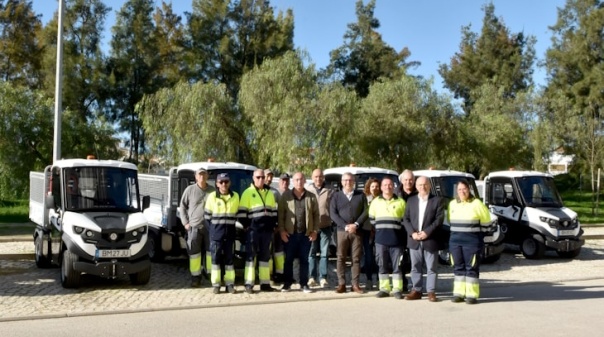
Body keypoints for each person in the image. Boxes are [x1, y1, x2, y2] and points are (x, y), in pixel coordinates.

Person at [448, 179, 493, 304]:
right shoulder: (452, 204)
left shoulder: (477, 204)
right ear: (456, 191)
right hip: (455, 242)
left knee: (471, 268)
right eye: (459, 189)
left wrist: (477, 236)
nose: (462, 192)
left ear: (469, 190)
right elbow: (450, 221)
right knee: (458, 267)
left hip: (472, 242)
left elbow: (486, 222)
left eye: (464, 189)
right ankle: (458, 293)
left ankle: (471, 295)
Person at [402, 176, 444, 302]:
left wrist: (427, 232)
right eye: (420, 185)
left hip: (430, 239)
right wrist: (412, 233)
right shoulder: (411, 200)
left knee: (431, 267)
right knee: (415, 266)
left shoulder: (437, 200)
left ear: (429, 186)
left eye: (425, 184)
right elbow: (406, 219)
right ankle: (417, 290)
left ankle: (431, 291)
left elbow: (439, 220)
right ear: (416, 186)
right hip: (414, 239)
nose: (422, 187)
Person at [278, 172, 319, 293]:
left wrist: (315, 231)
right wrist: (282, 231)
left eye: (301, 179)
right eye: (296, 180)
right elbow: (281, 216)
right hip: (290, 234)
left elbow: (316, 215)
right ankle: (287, 283)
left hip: (306, 234)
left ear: (305, 181)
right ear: (292, 181)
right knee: (288, 260)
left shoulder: (311, 197)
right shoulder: (286, 196)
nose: (299, 182)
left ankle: (304, 284)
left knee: (304, 260)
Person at [239, 169, 278, 293]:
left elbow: (273, 212)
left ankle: (265, 283)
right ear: (253, 178)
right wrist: (247, 226)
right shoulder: (247, 193)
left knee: (265, 257)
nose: (261, 179)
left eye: (262, 177)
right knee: (251, 257)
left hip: (266, 231)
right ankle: (249, 284)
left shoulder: (270, 193)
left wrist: (273, 226)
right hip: (253, 231)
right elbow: (241, 213)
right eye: (258, 177)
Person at [330, 172, 368, 294]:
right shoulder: (336, 196)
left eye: (350, 180)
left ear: (354, 182)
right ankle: (341, 284)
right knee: (340, 257)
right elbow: (333, 213)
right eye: (345, 180)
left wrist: (356, 224)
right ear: (342, 182)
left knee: (356, 258)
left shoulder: (360, 195)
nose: (348, 182)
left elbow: (365, 211)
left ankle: (355, 284)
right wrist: (345, 226)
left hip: (356, 231)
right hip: (342, 231)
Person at [369, 177, 406, 299]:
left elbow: (405, 221)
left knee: (397, 266)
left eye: (390, 185)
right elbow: (371, 219)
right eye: (385, 185)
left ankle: (397, 289)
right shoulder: (375, 202)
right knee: (382, 265)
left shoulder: (401, 202)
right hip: (380, 240)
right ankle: (384, 288)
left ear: (393, 186)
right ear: (381, 187)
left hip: (397, 241)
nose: (388, 187)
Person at [204, 173, 241, 294]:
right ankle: (216, 284)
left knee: (230, 260)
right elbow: (207, 217)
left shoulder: (235, 196)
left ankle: (229, 284)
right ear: (217, 184)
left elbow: (237, 215)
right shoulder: (212, 197)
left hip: (230, 235)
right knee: (215, 260)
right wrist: (213, 232)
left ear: (229, 183)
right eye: (221, 182)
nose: (224, 184)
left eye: (226, 182)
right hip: (216, 235)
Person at [180, 168, 216, 288]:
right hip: (194, 227)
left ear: (207, 176)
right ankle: (196, 277)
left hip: (210, 227)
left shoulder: (213, 191)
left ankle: (211, 275)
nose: (202, 177)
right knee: (194, 254)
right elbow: (183, 207)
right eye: (199, 175)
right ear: (196, 177)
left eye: (204, 174)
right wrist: (185, 223)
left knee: (211, 252)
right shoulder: (189, 190)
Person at [306, 168, 334, 288]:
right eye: (316, 177)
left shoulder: (330, 190)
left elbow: (333, 207)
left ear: (323, 178)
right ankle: (311, 277)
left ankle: (323, 277)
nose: (318, 179)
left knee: (324, 254)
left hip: (325, 226)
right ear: (312, 178)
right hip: (311, 228)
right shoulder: (308, 189)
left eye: (320, 177)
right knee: (311, 253)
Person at [271, 173, 290, 284]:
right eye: (283, 180)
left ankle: (286, 274)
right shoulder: (276, 194)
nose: (285, 183)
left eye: (286, 180)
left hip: (290, 228)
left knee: (287, 253)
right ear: (279, 182)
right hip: (277, 228)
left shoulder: (292, 193)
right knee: (277, 252)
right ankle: (277, 274)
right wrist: (277, 225)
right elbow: (275, 212)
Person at [361, 178, 380, 290]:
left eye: (377, 186)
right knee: (368, 257)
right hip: (367, 231)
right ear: (369, 187)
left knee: (378, 257)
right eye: (373, 186)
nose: (375, 188)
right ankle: (368, 280)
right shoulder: (364, 198)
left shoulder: (382, 199)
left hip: (379, 231)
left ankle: (378, 279)